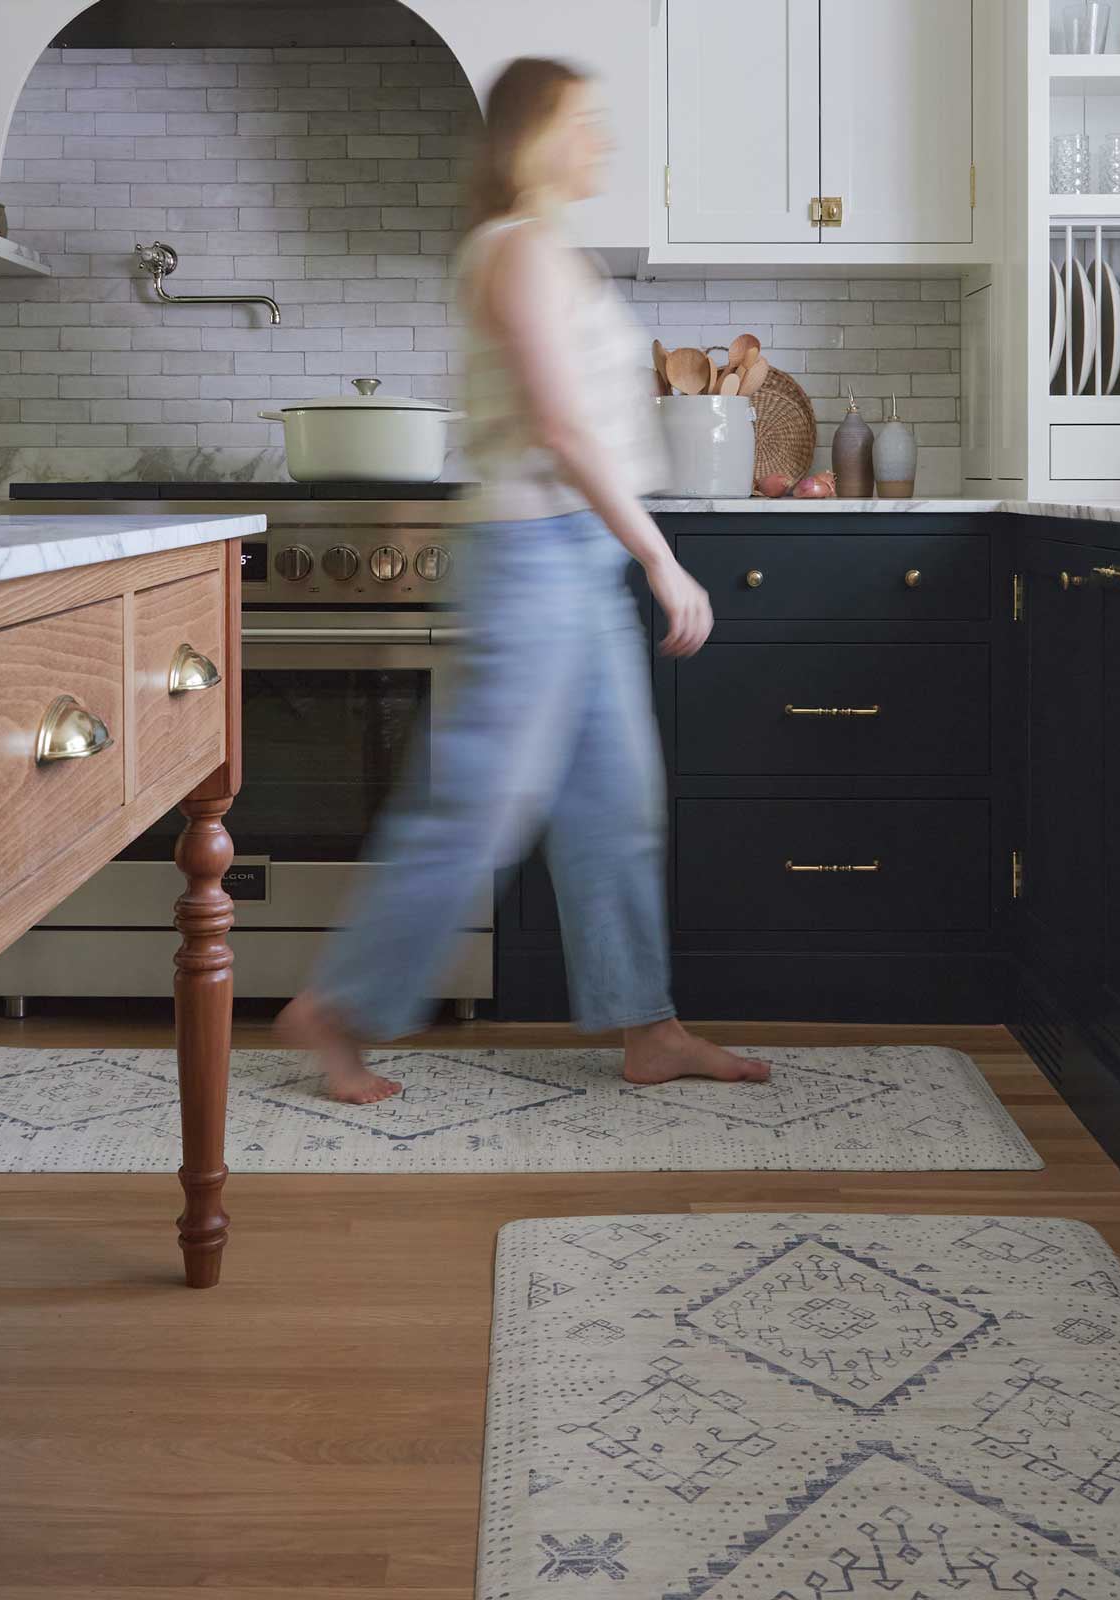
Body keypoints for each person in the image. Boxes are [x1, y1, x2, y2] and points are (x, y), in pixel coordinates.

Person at [277, 57, 770, 1104]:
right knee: (482, 805)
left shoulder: (551, 253)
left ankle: (648, 1027)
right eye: (583, 122)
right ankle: (338, 1006)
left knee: (613, 803)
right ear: (530, 135)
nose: (602, 141)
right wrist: (659, 555)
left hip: (575, 560)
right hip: (532, 557)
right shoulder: (512, 254)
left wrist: (625, 551)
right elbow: (559, 426)